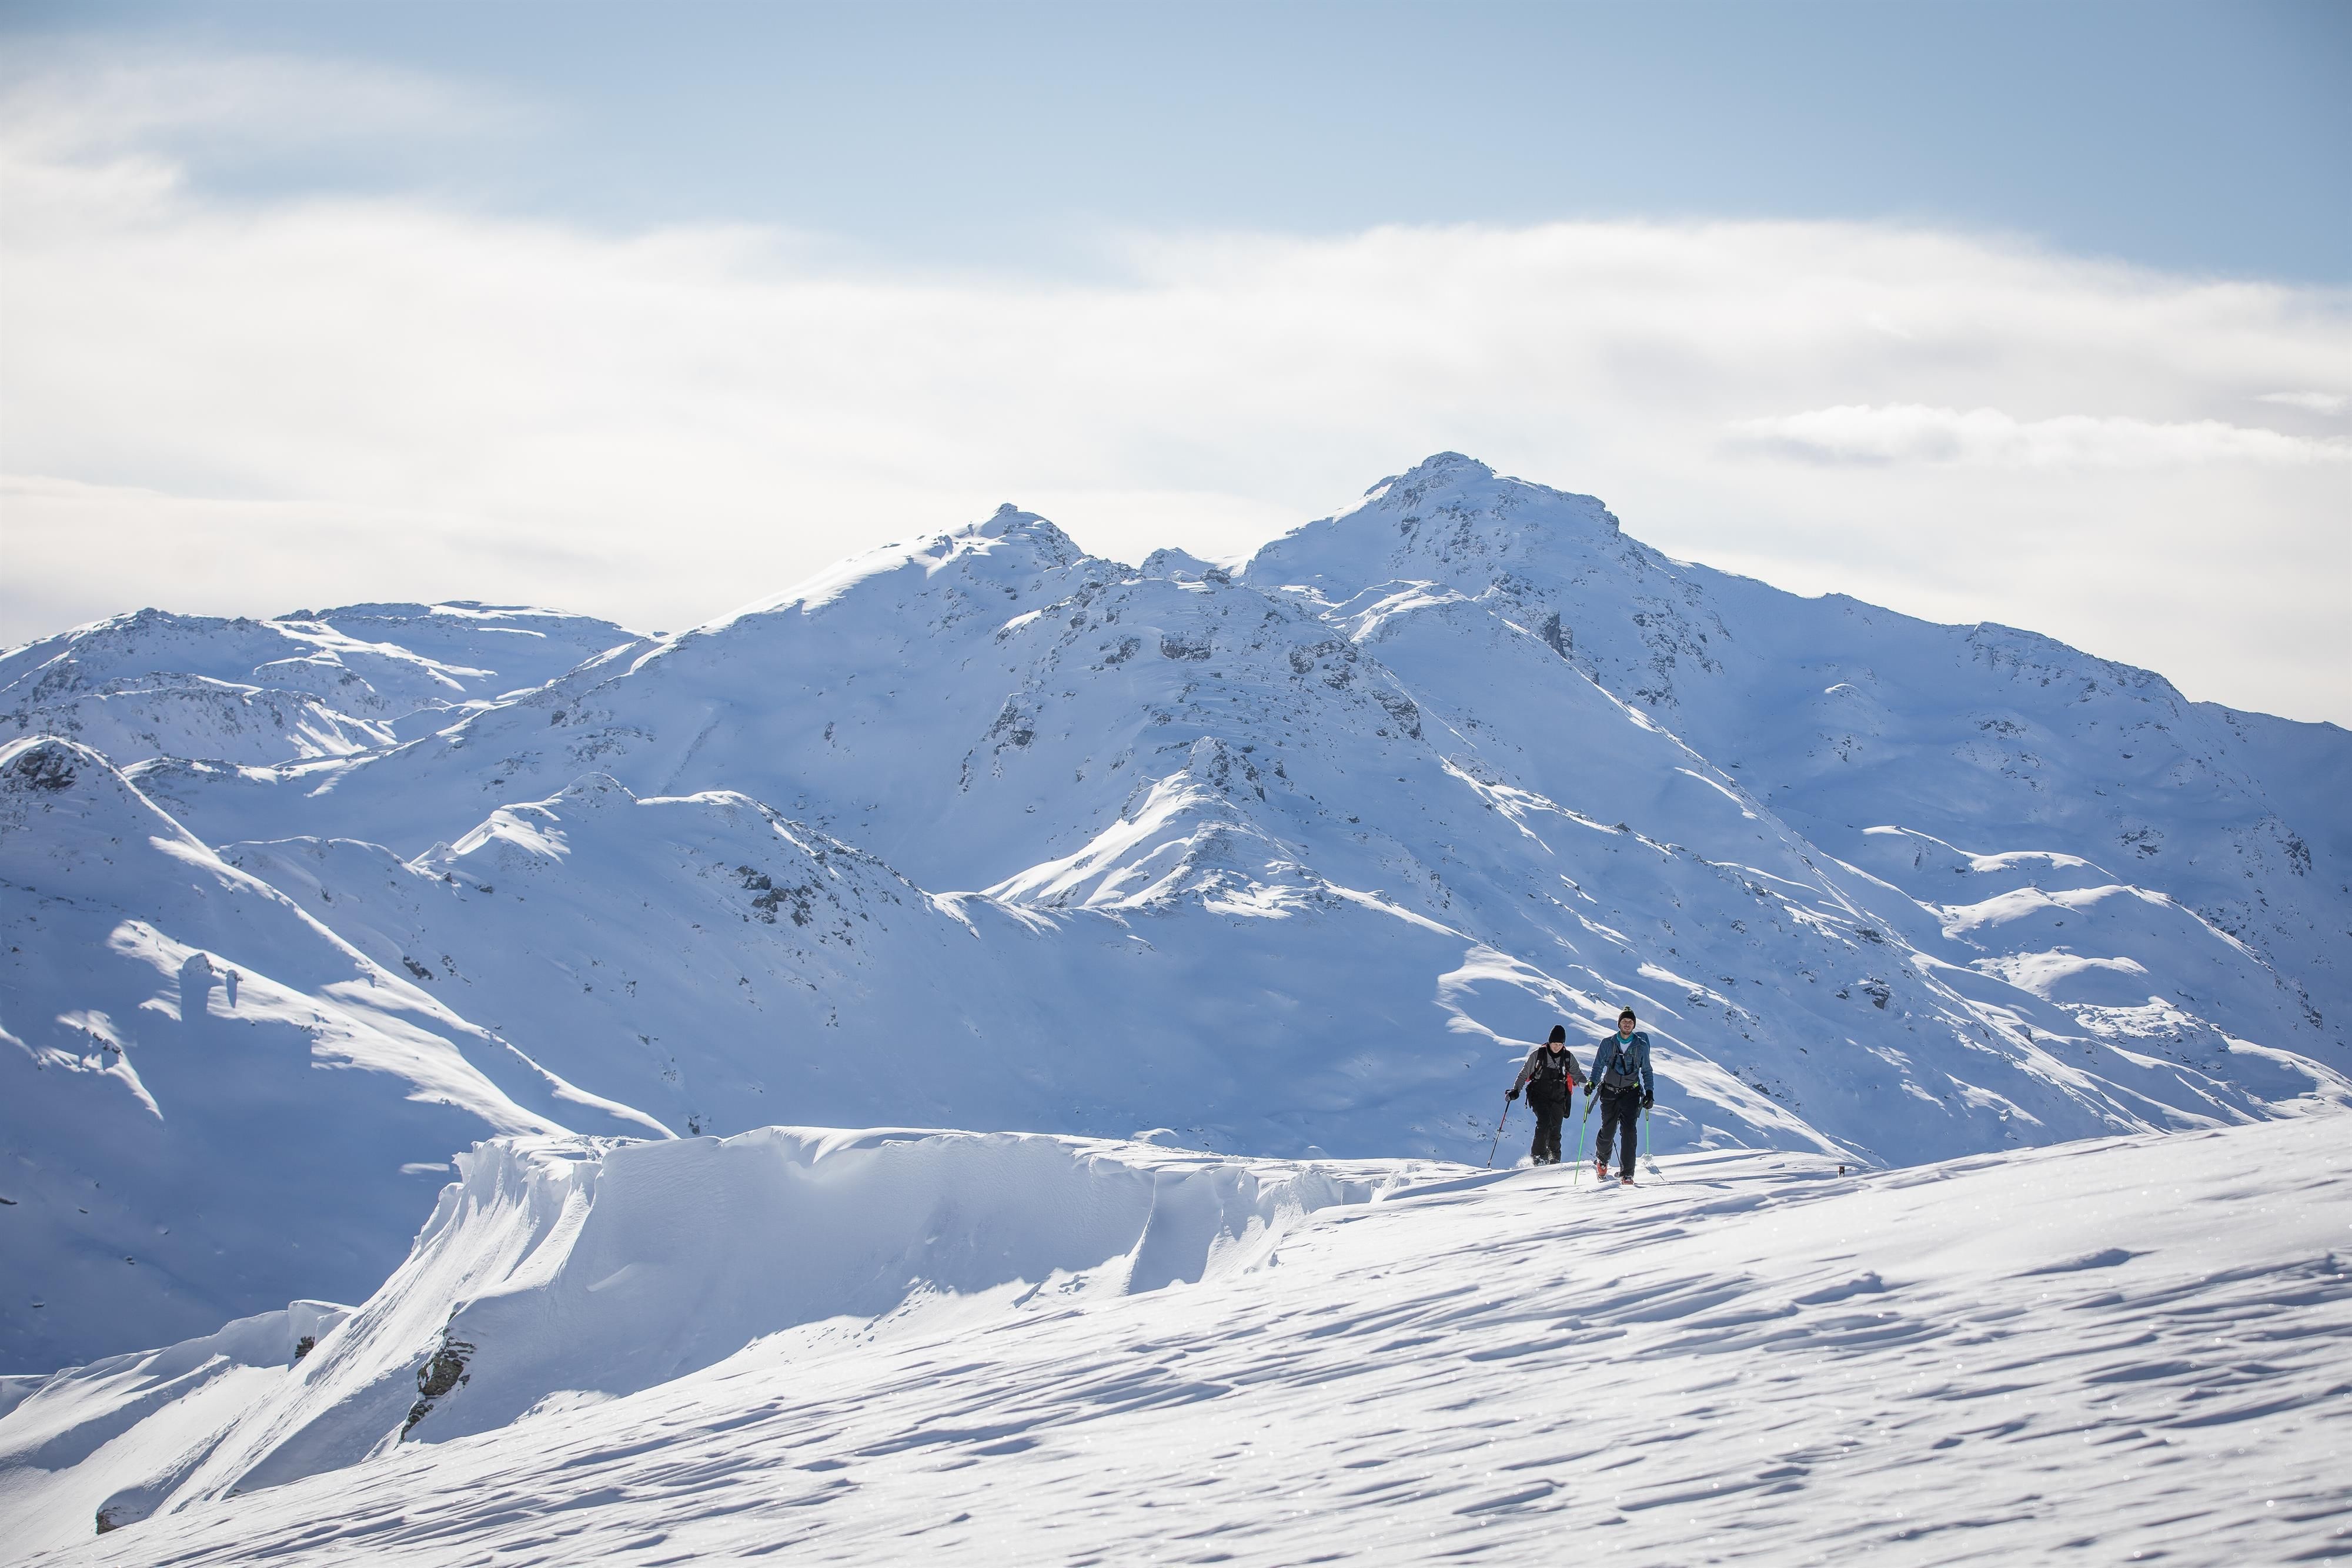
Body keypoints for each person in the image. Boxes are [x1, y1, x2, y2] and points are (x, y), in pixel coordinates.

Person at [1588, 1008, 1654, 1185]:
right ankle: (1602, 1160)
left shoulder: (1641, 1046)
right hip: (1609, 1092)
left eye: (1631, 1022)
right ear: (1619, 1024)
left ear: (1634, 1025)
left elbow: (1647, 1071)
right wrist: (1592, 1083)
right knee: (1608, 1131)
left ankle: (1627, 1174)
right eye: (1624, 1021)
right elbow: (1598, 1066)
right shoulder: (1607, 1043)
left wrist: (1649, 1092)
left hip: (1631, 1093)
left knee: (1629, 1132)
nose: (1627, 1024)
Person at [1505, 1025, 1585, 1165]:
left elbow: (1578, 1076)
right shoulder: (1539, 1055)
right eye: (1554, 1044)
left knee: (1556, 1129)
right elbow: (1524, 1074)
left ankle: (1554, 1160)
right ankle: (1539, 1159)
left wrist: (1588, 1084)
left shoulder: (1568, 1058)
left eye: (1560, 1044)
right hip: (1539, 1095)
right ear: (1549, 1042)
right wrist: (1516, 1090)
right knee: (1545, 1123)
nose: (1557, 1047)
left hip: (1559, 1097)